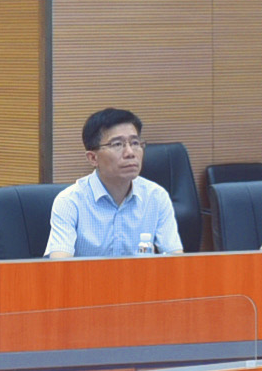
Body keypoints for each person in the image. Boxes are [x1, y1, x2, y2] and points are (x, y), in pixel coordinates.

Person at [46, 108, 184, 258]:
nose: (130, 153)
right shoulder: (70, 202)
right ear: (93, 158)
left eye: (135, 143)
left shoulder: (156, 196)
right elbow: (60, 265)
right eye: (117, 144)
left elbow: (176, 260)